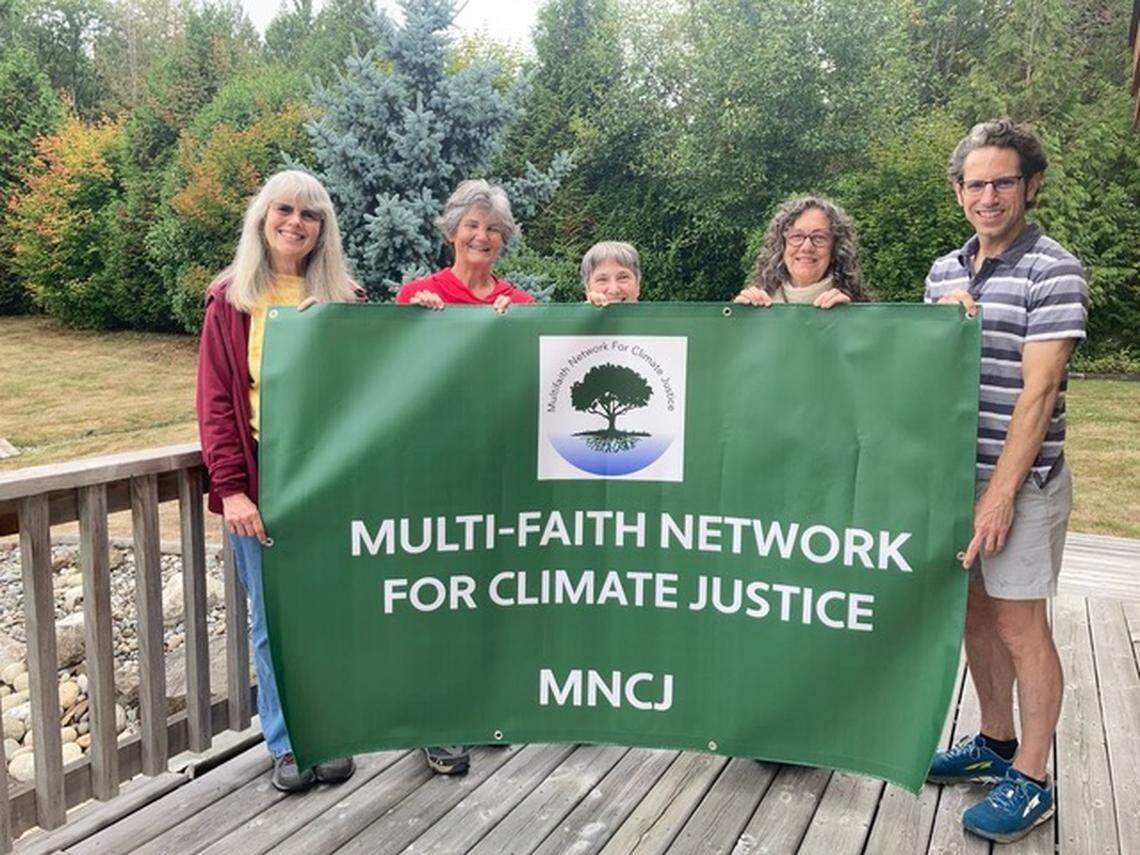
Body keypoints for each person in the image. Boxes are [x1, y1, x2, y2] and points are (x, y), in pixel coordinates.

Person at [924, 119, 1088, 843]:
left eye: (1003, 182)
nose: (988, 196)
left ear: (1030, 185)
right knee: (973, 614)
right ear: (959, 191)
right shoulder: (943, 271)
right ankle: (992, 741)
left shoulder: (1054, 268)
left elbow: (1039, 391)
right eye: (976, 183)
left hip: (1020, 482)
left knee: (1022, 625)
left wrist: (999, 494)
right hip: (951, 474)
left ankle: (1032, 775)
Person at [196, 169, 361, 793]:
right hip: (263, 482)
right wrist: (233, 488)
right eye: (283, 210)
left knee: (331, 615)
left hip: (327, 483)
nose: (296, 222)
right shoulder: (231, 297)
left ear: (323, 229)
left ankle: (334, 731)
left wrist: (338, 330)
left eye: (310, 214)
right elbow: (216, 402)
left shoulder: (345, 296)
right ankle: (287, 744)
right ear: (262, 218)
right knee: (273, 620)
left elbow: (368, 390)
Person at [396, 179, 533, 314]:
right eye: (472, 226)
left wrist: (515, 322)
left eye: (492, 229)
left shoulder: (522, 305)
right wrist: (414, 318)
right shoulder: (414, 296)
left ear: (503, 239)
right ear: (452, 233)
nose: (482, 237)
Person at [733, 195, 871, 308]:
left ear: (835, 249)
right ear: (782, 246)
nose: (806, 247)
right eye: (797, 236)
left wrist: (852, 323)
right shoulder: (757, 306)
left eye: (819, 237)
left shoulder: (861, 314)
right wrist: (741, 322)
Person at [581, 241, 641, 305]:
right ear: (587, 288)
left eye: (623, 278)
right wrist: (588, 313)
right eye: (602, 279)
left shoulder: (651, 314)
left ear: (637, 285)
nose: (614, 290)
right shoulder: (573, 314)